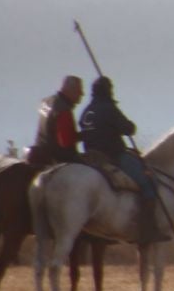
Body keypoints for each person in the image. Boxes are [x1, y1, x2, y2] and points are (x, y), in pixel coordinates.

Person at [78, 76, 161, 243]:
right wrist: (127, 123)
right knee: (148, 181)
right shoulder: (109, 108)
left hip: (89, 157)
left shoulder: (86, 111)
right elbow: (129, 129)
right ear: (108, 91)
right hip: (113, 156)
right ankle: (147, 228)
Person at [27, 75, 83, 165]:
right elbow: (66, 141)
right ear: (69, 90)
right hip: (57, 158)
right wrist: (84, 136)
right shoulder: (63, 110)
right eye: (79, 90)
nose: (82, 93)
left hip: (40, 151)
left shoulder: (45, 102)